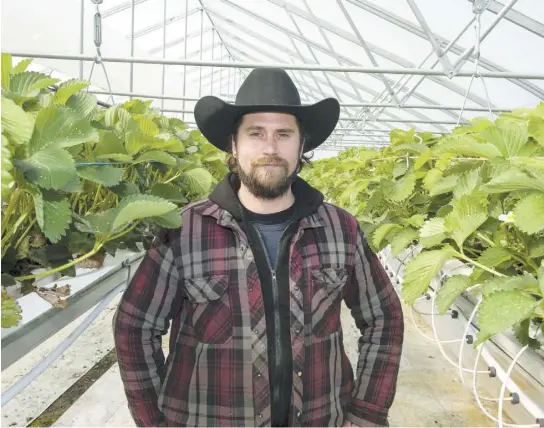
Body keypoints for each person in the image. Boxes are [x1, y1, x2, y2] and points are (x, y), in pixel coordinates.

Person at [113, 67, 404, 427]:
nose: (270, 148)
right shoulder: (185, 230)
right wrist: (154, 421)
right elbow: (134, 325)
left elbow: (384, 316)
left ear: (302, 146)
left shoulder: (339, 229)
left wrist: (367, 412)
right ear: (234, 146)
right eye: (256, 133)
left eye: (284, 134)